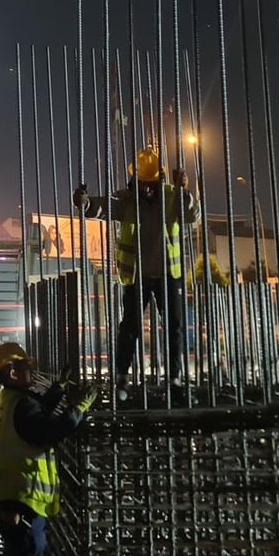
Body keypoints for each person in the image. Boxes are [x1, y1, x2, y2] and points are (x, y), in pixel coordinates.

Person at [73, 148, 199, 399]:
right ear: (136, 181)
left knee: (175, 327)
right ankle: (121, 379)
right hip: (136, 276)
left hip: (168, 275)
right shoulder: (127, 200)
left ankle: (174, 380)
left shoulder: (171, 196)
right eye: (144, 184)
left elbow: (192, 217)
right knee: (129, 328)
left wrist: (185, 192)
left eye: (152, 184)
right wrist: (85, 203)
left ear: (160, 179)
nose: (149, 189)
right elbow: (103, 207)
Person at [0, 341, 99, 556]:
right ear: (13, 372)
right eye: (25, 366)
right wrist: (79, 409)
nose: (31, 369)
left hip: (14, 502)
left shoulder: (11, 398)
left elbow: (38, 409)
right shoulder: (21, 405)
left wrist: (59, 387)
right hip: (25, 504)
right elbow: (51, 430)